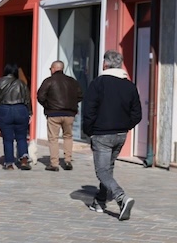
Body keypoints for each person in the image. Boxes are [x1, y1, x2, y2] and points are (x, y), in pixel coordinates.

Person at [82, 50, 141, 220]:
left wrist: (89, 131)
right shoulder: (130, 86)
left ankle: (121, 198)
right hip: (120, 134)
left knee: (102, 171)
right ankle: (100, 201)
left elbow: (89, 110)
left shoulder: (98, 83)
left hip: (101, 134)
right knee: (108, 169)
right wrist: (125, 126)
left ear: (105, 64)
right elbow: (137, 114)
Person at [37, 60, 83, 171]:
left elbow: (40, 96)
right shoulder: (72, 81)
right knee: (68, 136)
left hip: (53, 113)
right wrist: (72, 105)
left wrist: (48, 106)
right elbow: (80, 95)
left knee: (53, 138)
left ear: (53, 68)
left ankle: (54, 163)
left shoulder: (49, 81)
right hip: (69, 114)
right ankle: (67, 160)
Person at [0, 63, 33, 170]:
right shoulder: (22, 83)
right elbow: (28, 99)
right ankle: (24, 159)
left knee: (8, 139)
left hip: (5, 110)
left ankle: (9, 162)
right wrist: (30, 112)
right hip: (21, 109)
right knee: (21, 137)